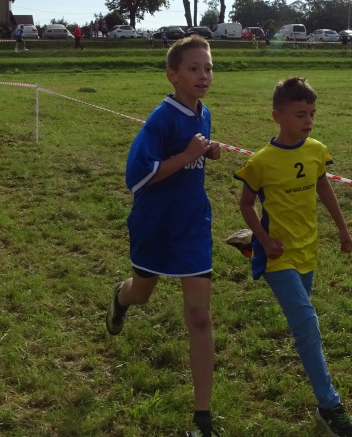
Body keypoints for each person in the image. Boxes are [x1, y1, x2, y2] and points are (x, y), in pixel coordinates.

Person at [105, 35, 223, 437]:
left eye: (208, 68)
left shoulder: (203, 113)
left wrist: (205, 152)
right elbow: (137, 176)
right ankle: (120, 299)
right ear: (172, 75)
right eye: (194, 69)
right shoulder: (161, 118)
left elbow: (191, 154)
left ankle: (202, 417)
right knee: (142, 292)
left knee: (199, 316)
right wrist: (187, 156)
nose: (203, 75)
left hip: (192, 225)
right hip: (155, 224)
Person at [234, 76, 352, 437]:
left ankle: (248, 245)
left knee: (304, 325)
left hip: (308, 249)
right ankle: (329, 406)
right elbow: (245, 204)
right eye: (300, 114)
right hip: (278, 255)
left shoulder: (316, 150)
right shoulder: (261, 162)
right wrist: (264, 237)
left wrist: (343, 228)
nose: (308, 121)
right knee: (307, 324)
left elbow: (323, 185)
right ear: (278, 116)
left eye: (312, 114)